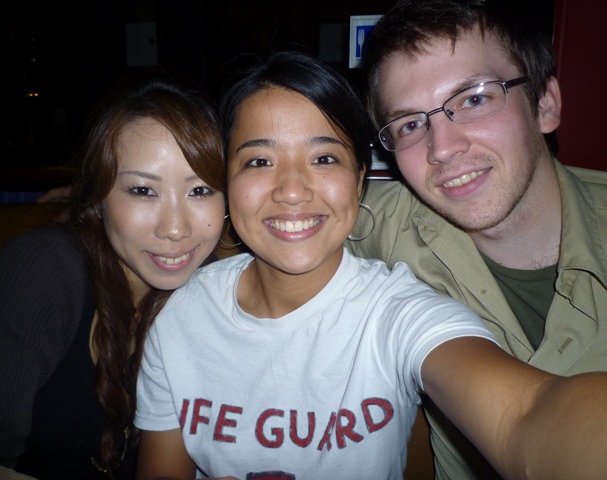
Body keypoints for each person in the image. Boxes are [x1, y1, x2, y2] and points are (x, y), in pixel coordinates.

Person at [133, 49, 607, 480]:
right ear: (227, 182)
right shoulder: (182, 317)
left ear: (360, 180)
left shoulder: (398, 314)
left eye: (324, 158)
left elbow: (524, 416)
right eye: (259, 162)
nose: (292, 191)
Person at [346, 0, 607, 478]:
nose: (443, 149)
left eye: (473, 99)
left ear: (545, 103)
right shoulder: (384, 223)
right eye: (411, 124)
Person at [0, 70, 226, 479]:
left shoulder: (216, 289)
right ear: (97, 196)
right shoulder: (43, 268)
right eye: (143, 190)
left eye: (200, 190)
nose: (175, 229)